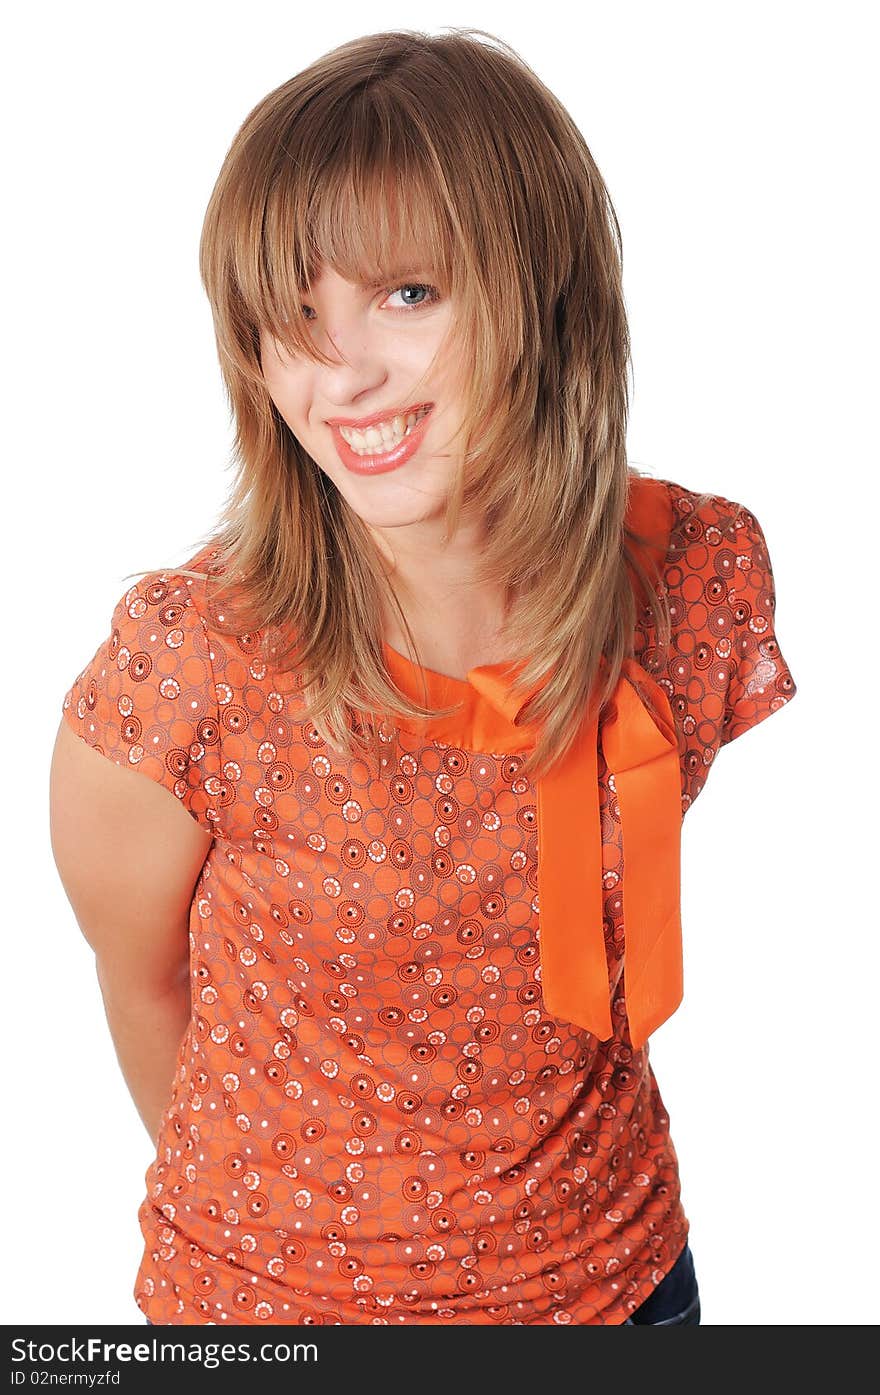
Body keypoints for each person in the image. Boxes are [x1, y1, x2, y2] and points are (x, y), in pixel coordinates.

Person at [49, 27, 797, 1327]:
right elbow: (142, 981)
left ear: (541, 285)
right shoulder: (193, 668)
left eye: (406, 295)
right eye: (293, 316)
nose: (340, 374)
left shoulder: (695, 579)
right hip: (283, 1313)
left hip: (628, 1284)